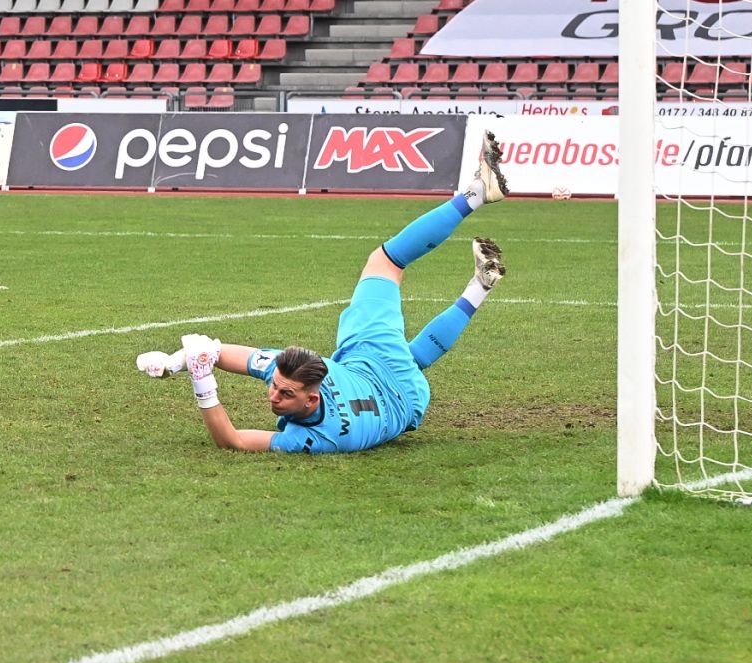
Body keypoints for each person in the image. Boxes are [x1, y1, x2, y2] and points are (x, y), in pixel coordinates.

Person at [137, 134, 511, 454]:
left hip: (409, 401)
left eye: (282, 393)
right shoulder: (312, 389)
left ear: (310, 398)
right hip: (375, 368)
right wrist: (192, 361)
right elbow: (223, 376)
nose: (273, 396)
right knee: (385, 263)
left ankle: (479, 278)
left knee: (405, 336)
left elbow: (231, 438)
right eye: (278, 390)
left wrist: (189, 369)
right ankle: (473, 199)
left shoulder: (314, 437)